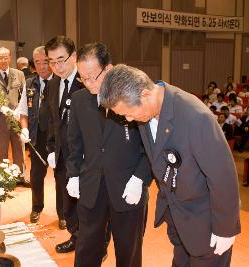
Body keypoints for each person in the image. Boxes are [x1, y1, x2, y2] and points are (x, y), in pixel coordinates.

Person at [100, 64, 241, 267]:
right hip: (180, 221)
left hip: (207, 225)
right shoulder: (146, 113)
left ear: (146, 94)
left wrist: (225, 229)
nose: (128, 119)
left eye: (128, 112)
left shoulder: (196, 117)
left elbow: (223, 175)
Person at [67, 43, 151, 267]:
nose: (89, 83)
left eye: (93, 77)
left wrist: (140, 178)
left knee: (128, 249)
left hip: (127, 187)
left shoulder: (133, 98)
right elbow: (74, 143)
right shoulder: (79, 100)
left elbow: (150, 148)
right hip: (92, 185)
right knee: (86, 246)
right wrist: (73, 174)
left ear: (110, 68)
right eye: (82, 78)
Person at [45, 35, 84, 253]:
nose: (58, 66)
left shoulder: (86, 82)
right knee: (67, 203)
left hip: (82, 157)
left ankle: (90, 242)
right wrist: (51, 148)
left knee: (86, 204)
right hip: (61, 155)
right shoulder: (53, 83)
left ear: (74, 56)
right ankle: (75, 236)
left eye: (61, 60)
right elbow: (53, 119)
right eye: (52, 61)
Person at [15, 46, 60, 224]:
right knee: (36, 174)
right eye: (38, 63)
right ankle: (36, 207)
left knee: (60, 175)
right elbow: (23, 111)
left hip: (58, 138)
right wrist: (24, 129)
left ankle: (63, 213)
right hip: (37, 136)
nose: (42, 67)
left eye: (46, 62)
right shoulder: (30, 83)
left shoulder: (60, 82)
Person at [0, 46, 30, 187]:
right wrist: (2, 108)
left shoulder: (19, 74)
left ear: (10, 58)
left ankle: (19, 177)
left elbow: (24, 95)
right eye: (0, 57)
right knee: (1, 151)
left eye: (6, 57)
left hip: (16, 119)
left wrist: (21, 112)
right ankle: (3, 179)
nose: (3, 60)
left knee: (19, 150)